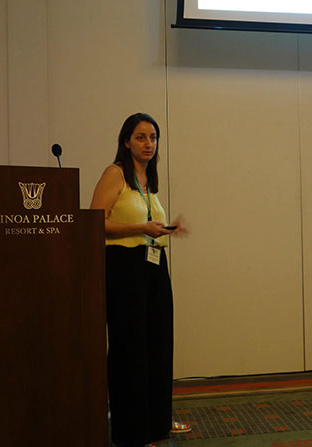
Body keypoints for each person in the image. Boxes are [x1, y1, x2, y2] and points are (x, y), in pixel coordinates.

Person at [90, 112, 190, 447]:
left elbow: (147, 222)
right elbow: (95, 222)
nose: (149, 143)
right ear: (126, 141)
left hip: (154, 266)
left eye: (153, 137)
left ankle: (155, 423)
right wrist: (141, 228)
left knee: (158, 344)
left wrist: (165, 229)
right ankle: (130, 431)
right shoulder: (115, 173)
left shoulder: (149, 180)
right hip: (125, 268)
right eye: (141, 137)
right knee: (130, 347)